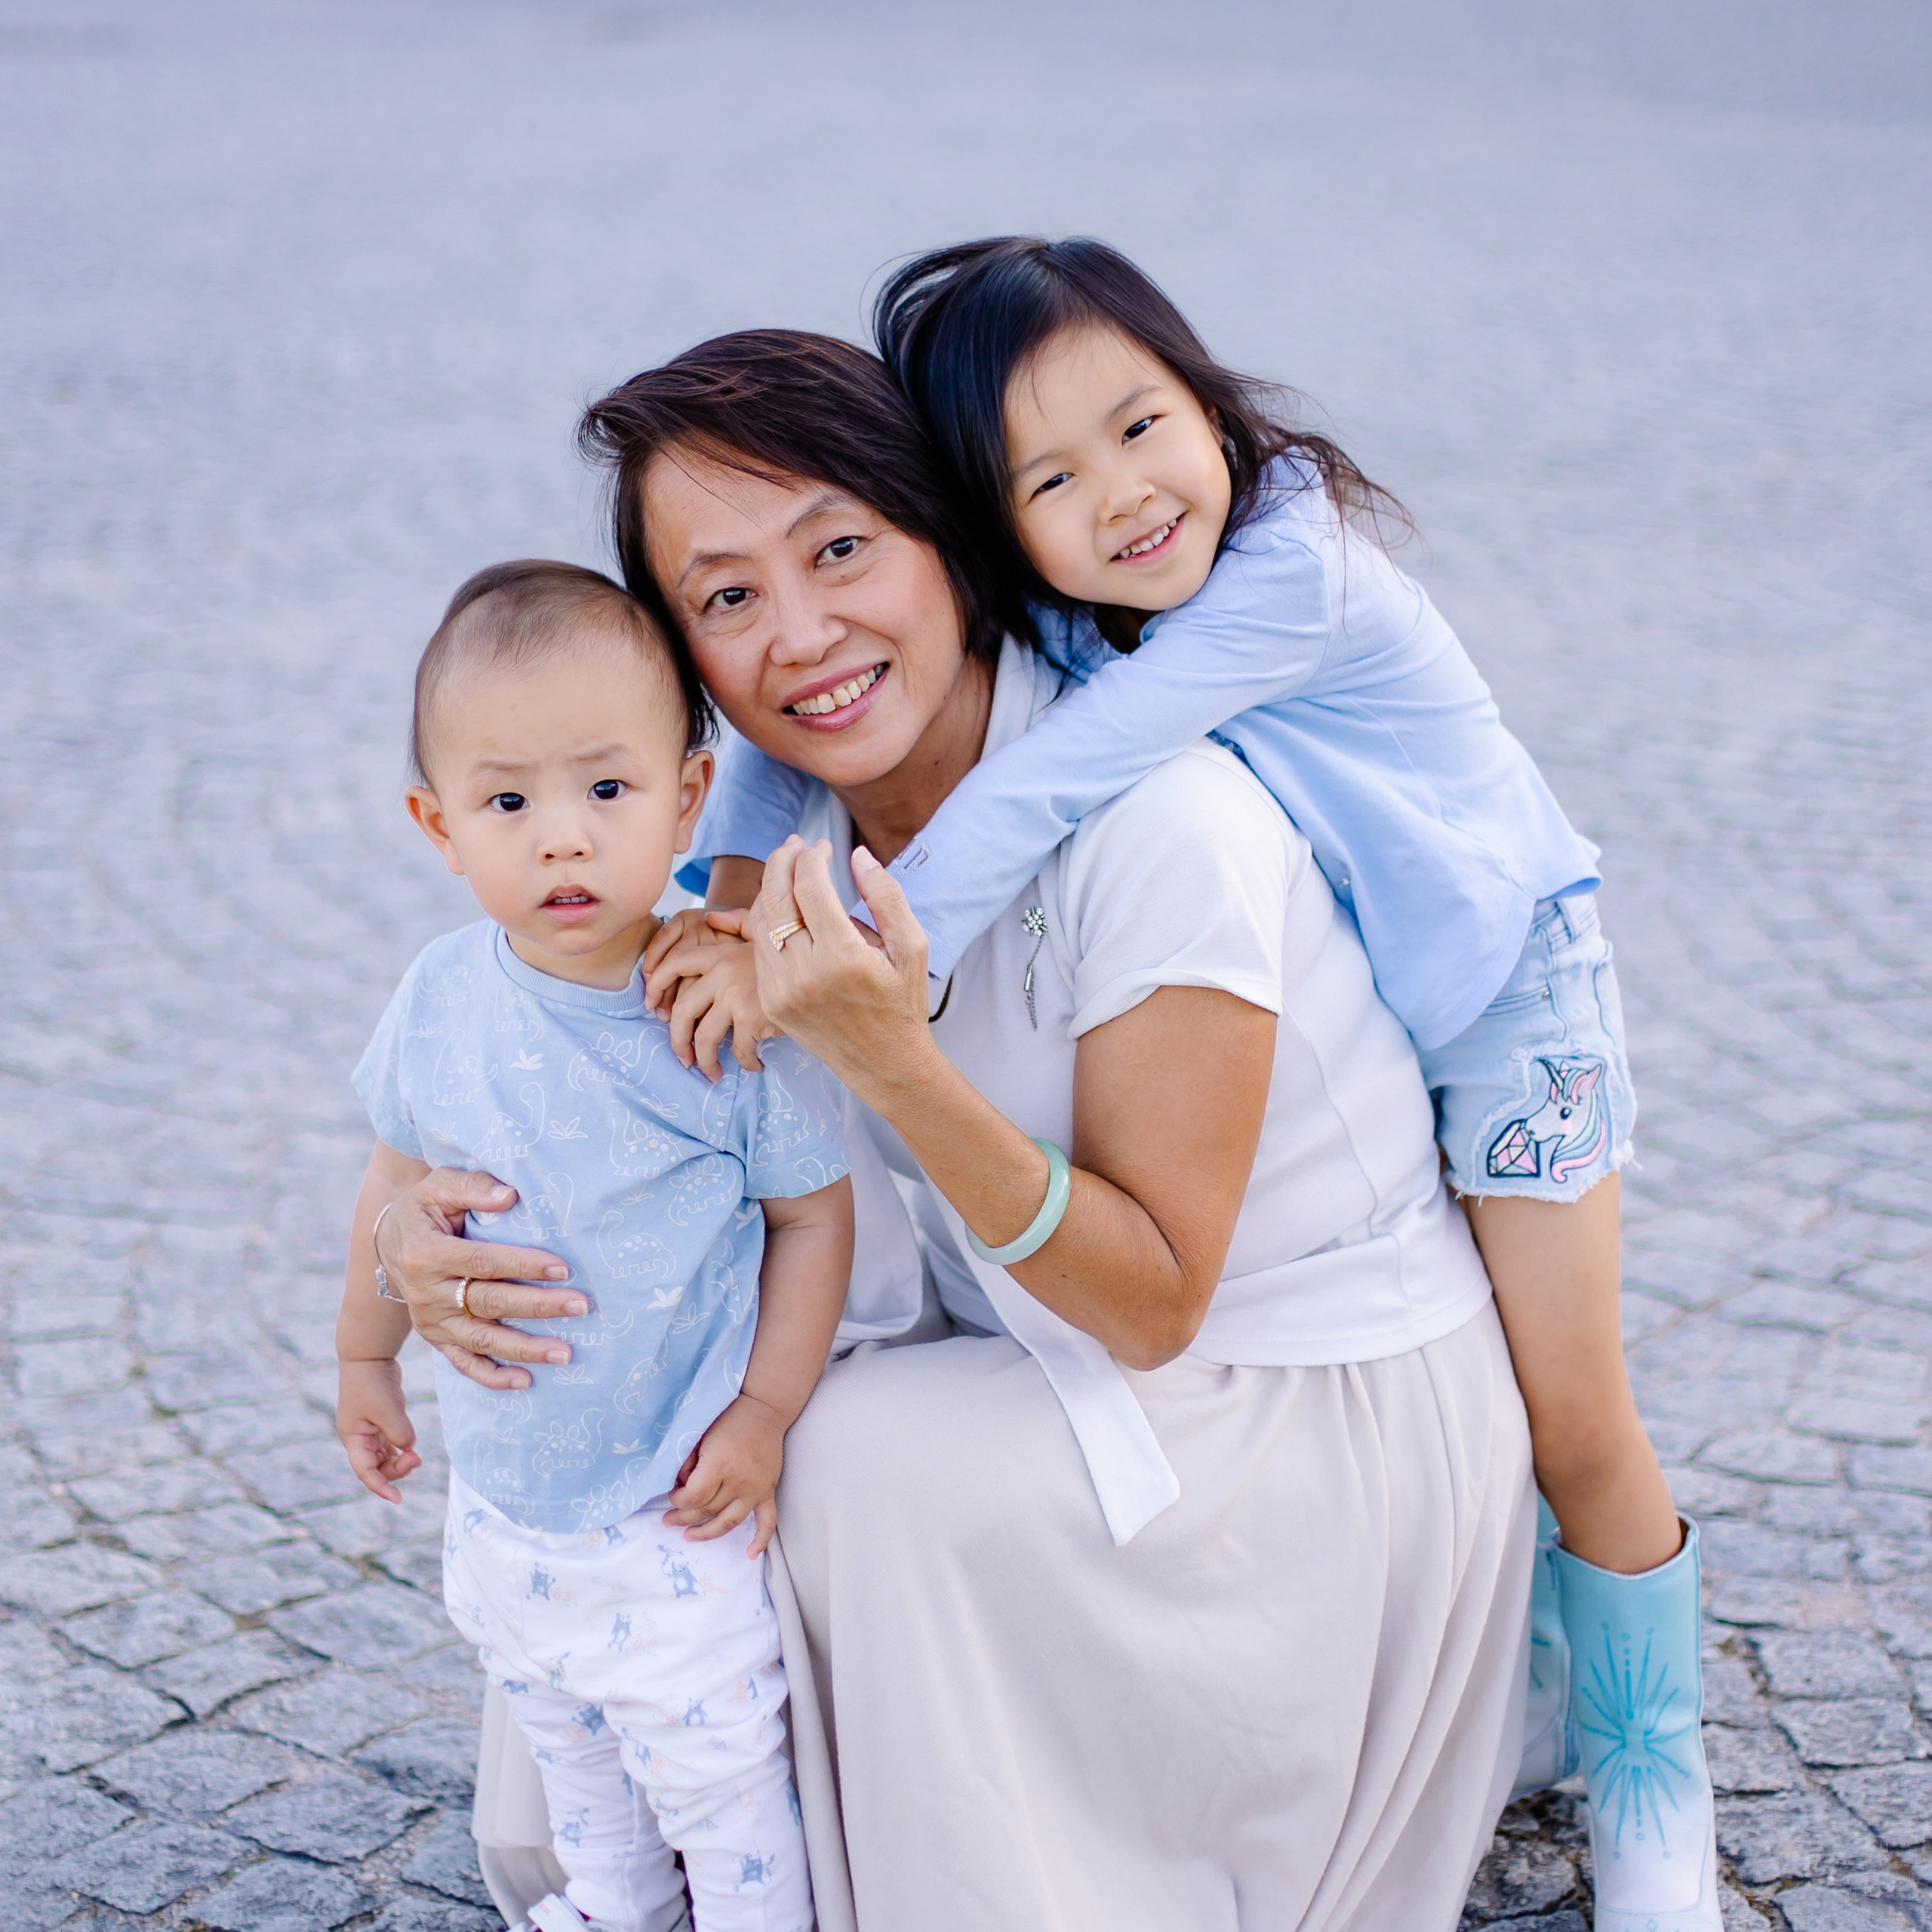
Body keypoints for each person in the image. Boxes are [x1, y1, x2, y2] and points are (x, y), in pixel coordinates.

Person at [377, 333, 1538, 1931]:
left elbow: (1154, 1300)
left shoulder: (1166, 820)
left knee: (842, 1466)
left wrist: (892, 1058)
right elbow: (667, 1170)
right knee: (628, 1448)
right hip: (1026, 1345)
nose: (800, 635)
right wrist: (420, 1249)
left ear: (949, 537)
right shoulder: (762, 846)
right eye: (722, 598)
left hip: (1286, 1412)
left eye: (840, 548)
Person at [686, 241, 1718, 1931]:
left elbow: (1063, 780)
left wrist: (872, 965)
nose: (1121, 494)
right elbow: (765, 736)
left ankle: (1652, 1791)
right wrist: (709, 905)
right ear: (988, 521)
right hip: (1377, 975)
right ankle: (1523, 1675)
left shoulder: (1277, 564)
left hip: (1506, 997)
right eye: (1048, 477)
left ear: (1208, 395)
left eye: (1141, 421)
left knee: (1573, 1412)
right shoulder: (1052, 599)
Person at [333, 560, 854, 1932]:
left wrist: (766, 1410)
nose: (562, 839)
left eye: (605, 791)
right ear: (438, 826)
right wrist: (362, 1354)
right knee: (569, 1748)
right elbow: (395, 1169)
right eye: (509, 802)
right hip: (508, 1496)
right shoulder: (441, 996)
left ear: (688, 798)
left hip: (669, 1498)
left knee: (719, 1776)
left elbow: (813, 1212)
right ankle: (619, 1909)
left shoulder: (706, 1016)